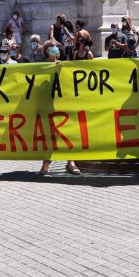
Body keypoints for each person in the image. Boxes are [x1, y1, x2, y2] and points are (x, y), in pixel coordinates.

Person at [38, 41, 81, 176]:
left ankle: (71, 163)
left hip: (64, 105)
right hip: (48, 106)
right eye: (51, 47)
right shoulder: (41, 66)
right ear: (46, 51)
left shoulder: (64, 64)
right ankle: (46, 164)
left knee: (67, 134)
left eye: (56, 46)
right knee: (49, 136)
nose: (55, 49)